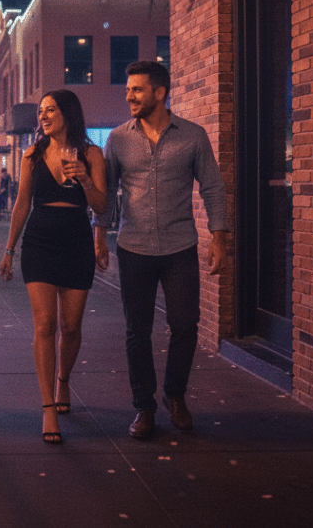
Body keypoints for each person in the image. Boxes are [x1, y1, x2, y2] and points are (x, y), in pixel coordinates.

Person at [94, 60, 229, 440]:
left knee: (185, 325)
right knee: (137, 331)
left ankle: (175, 395)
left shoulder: (193, 136)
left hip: (179, 246)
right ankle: (144, 407)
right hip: (133, 247)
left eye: (137, 90)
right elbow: (106, 196)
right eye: (128, 90)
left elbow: (213, 188)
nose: (129, 96)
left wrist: (220, 236)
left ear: (159, 92)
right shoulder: (118, 139)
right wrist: (98, 234)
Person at [0, 89, 108, 444]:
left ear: (68, 113)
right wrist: (9, 249)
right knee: (45, 324)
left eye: (50, 110)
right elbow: (21, 205)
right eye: (41, 111)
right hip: (40, 241)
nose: (43, 116)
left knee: (71, 327)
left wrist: (86, 180)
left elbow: (102, 207)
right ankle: (48, 407)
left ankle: (63, 381)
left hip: (76, 240)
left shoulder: (92, 154)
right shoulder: (32, 154)